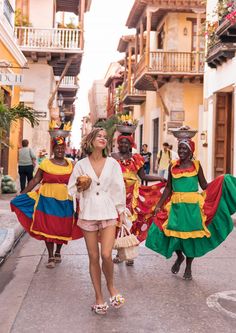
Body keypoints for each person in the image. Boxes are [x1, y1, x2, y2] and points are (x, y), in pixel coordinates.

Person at [146, 136, 236, 280]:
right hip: (175, 207)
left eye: (184, 149)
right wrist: (159, 205)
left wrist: (221, 181)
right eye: (180, 148)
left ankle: (188, 267)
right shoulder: (172, 166)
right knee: (173, 235)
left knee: (191, 238)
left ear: (190, 151)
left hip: (193, 208)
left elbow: (205, 186)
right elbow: (169, 188)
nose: (181, 151)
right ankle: (179, 257)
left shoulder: (196, 166)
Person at [68, 128, 126, 315]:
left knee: (107, 254)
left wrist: (121, 211)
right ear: (91, 140)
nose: (103, 138)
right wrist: (79, 186)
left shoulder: (113, 164)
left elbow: (119, 187)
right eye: (99, 136)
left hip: (108, 211)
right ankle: (99, 297)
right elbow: (71, 190)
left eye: (105, 137)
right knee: (93, 257)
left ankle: (111, 287)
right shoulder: (81, 165)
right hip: (88, 213)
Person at [11, 136, 83, 268]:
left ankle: (58, 252)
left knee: (62, 227)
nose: (60, 150)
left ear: (65, 149)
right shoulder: (45, 163)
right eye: (57, 148)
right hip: (46, 200)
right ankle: (50, 256)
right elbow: (34, 180)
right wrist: (22, 194)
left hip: (66, 200)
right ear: (53, 149)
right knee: (48, 227)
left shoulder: (71, 164)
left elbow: (77, 183)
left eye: (62, 148)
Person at [112, 134, 166, 265]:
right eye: (121, 143)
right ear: (118, 144)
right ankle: (120, 253)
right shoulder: (113, 158)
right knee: (118, 224)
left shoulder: (137, 159)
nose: (123, 145)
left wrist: (159, 179)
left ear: (131, 145)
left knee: (131, 223)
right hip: (116, 194)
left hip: (132, 195)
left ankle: (130, 255)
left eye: (126, 143)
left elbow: (143, 176)